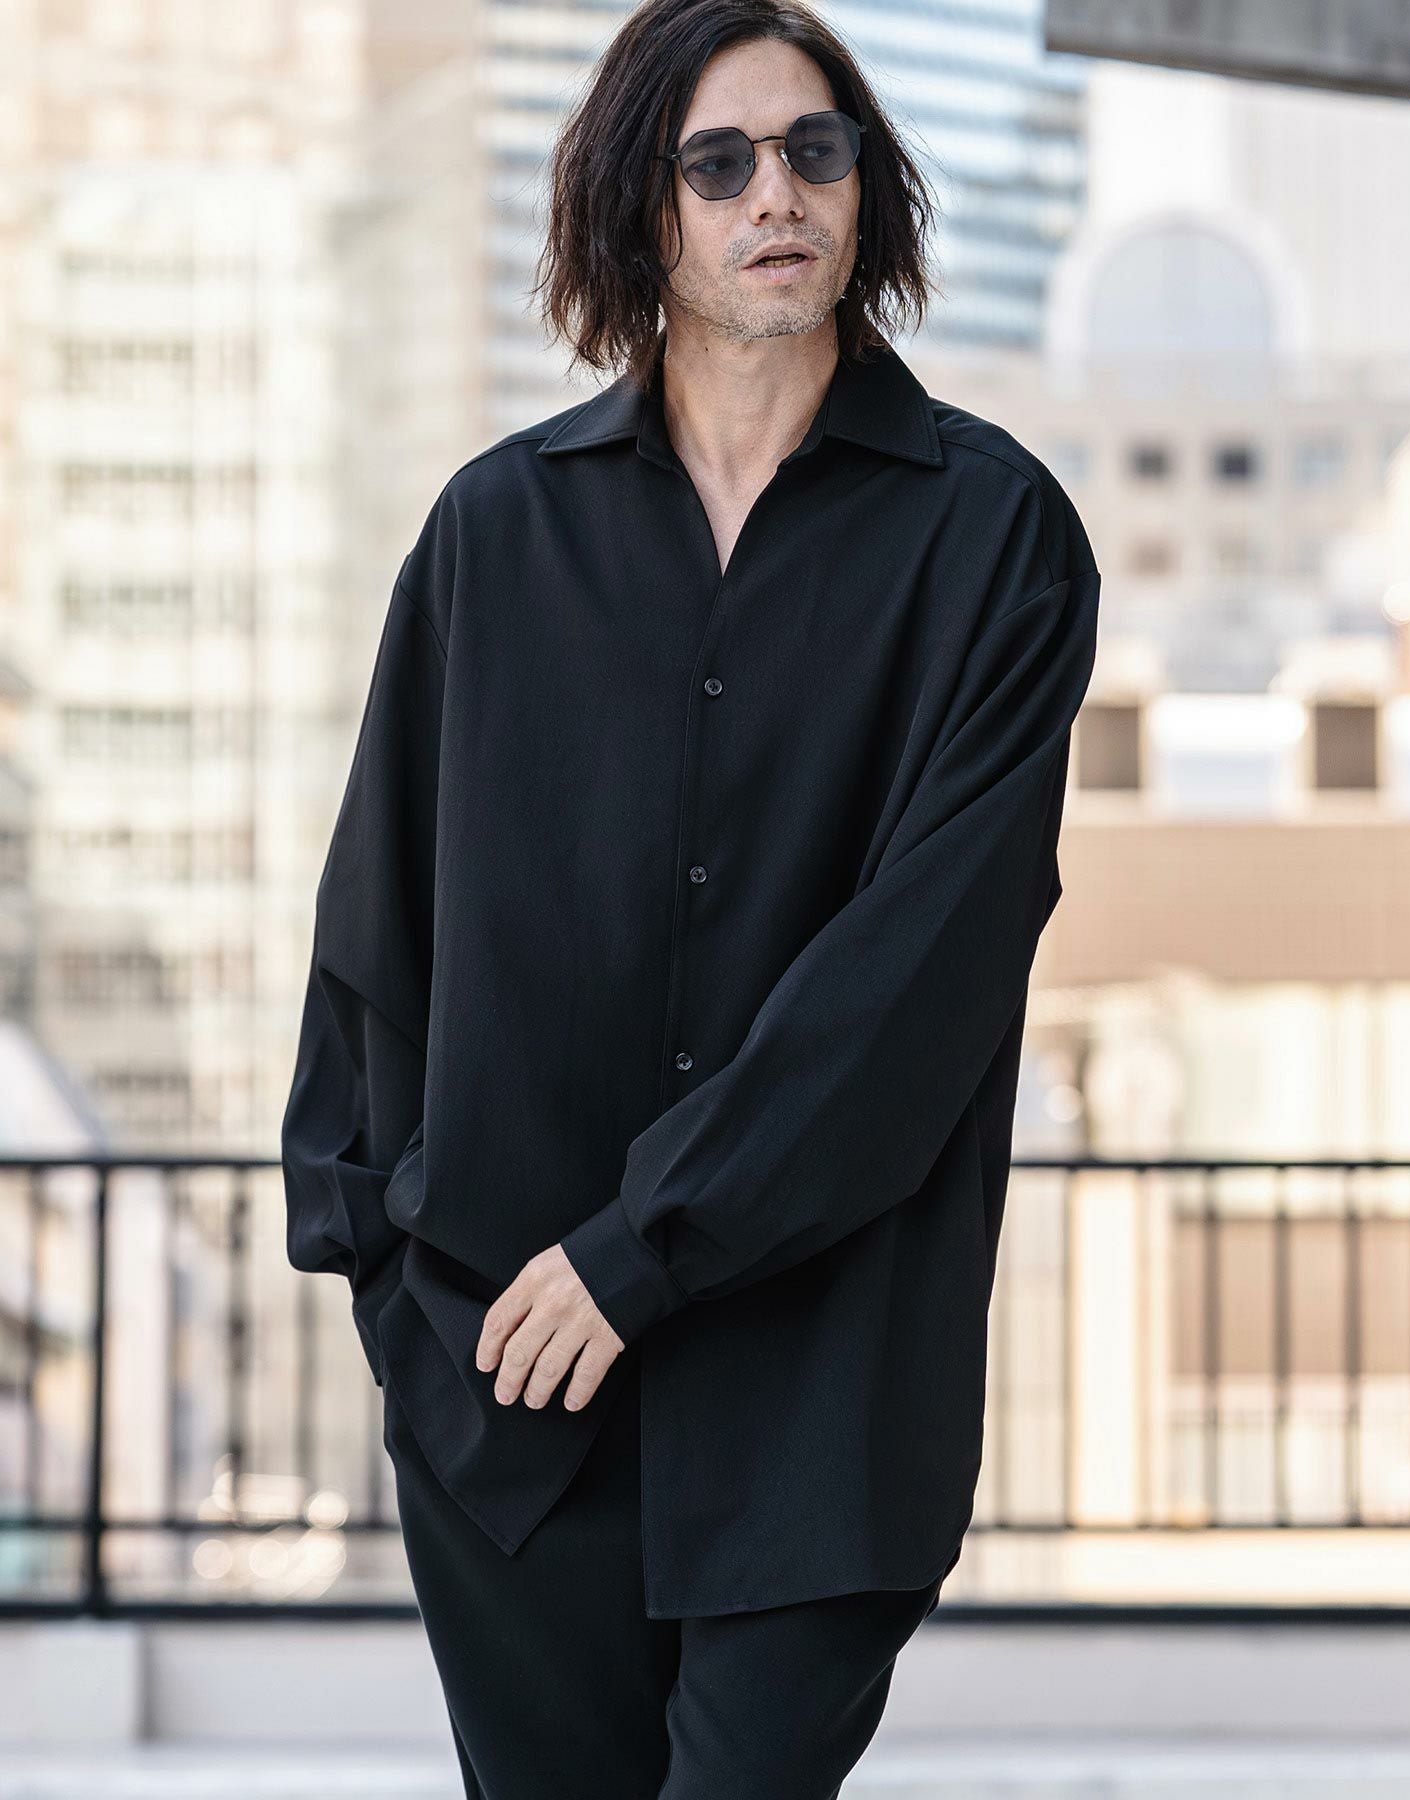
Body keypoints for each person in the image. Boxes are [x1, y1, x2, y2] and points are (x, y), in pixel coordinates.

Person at [279, 0, 1100, 1793]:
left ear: (868, 190)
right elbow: (374, 940)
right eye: (715, 163)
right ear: (638, 211)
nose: (772, 195)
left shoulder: (996, 542)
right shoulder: (495, 536)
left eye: (815, 149)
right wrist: (388, 1291)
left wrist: (642, 1247)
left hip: (822, 1400)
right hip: (508, 1396)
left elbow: (921, 982)